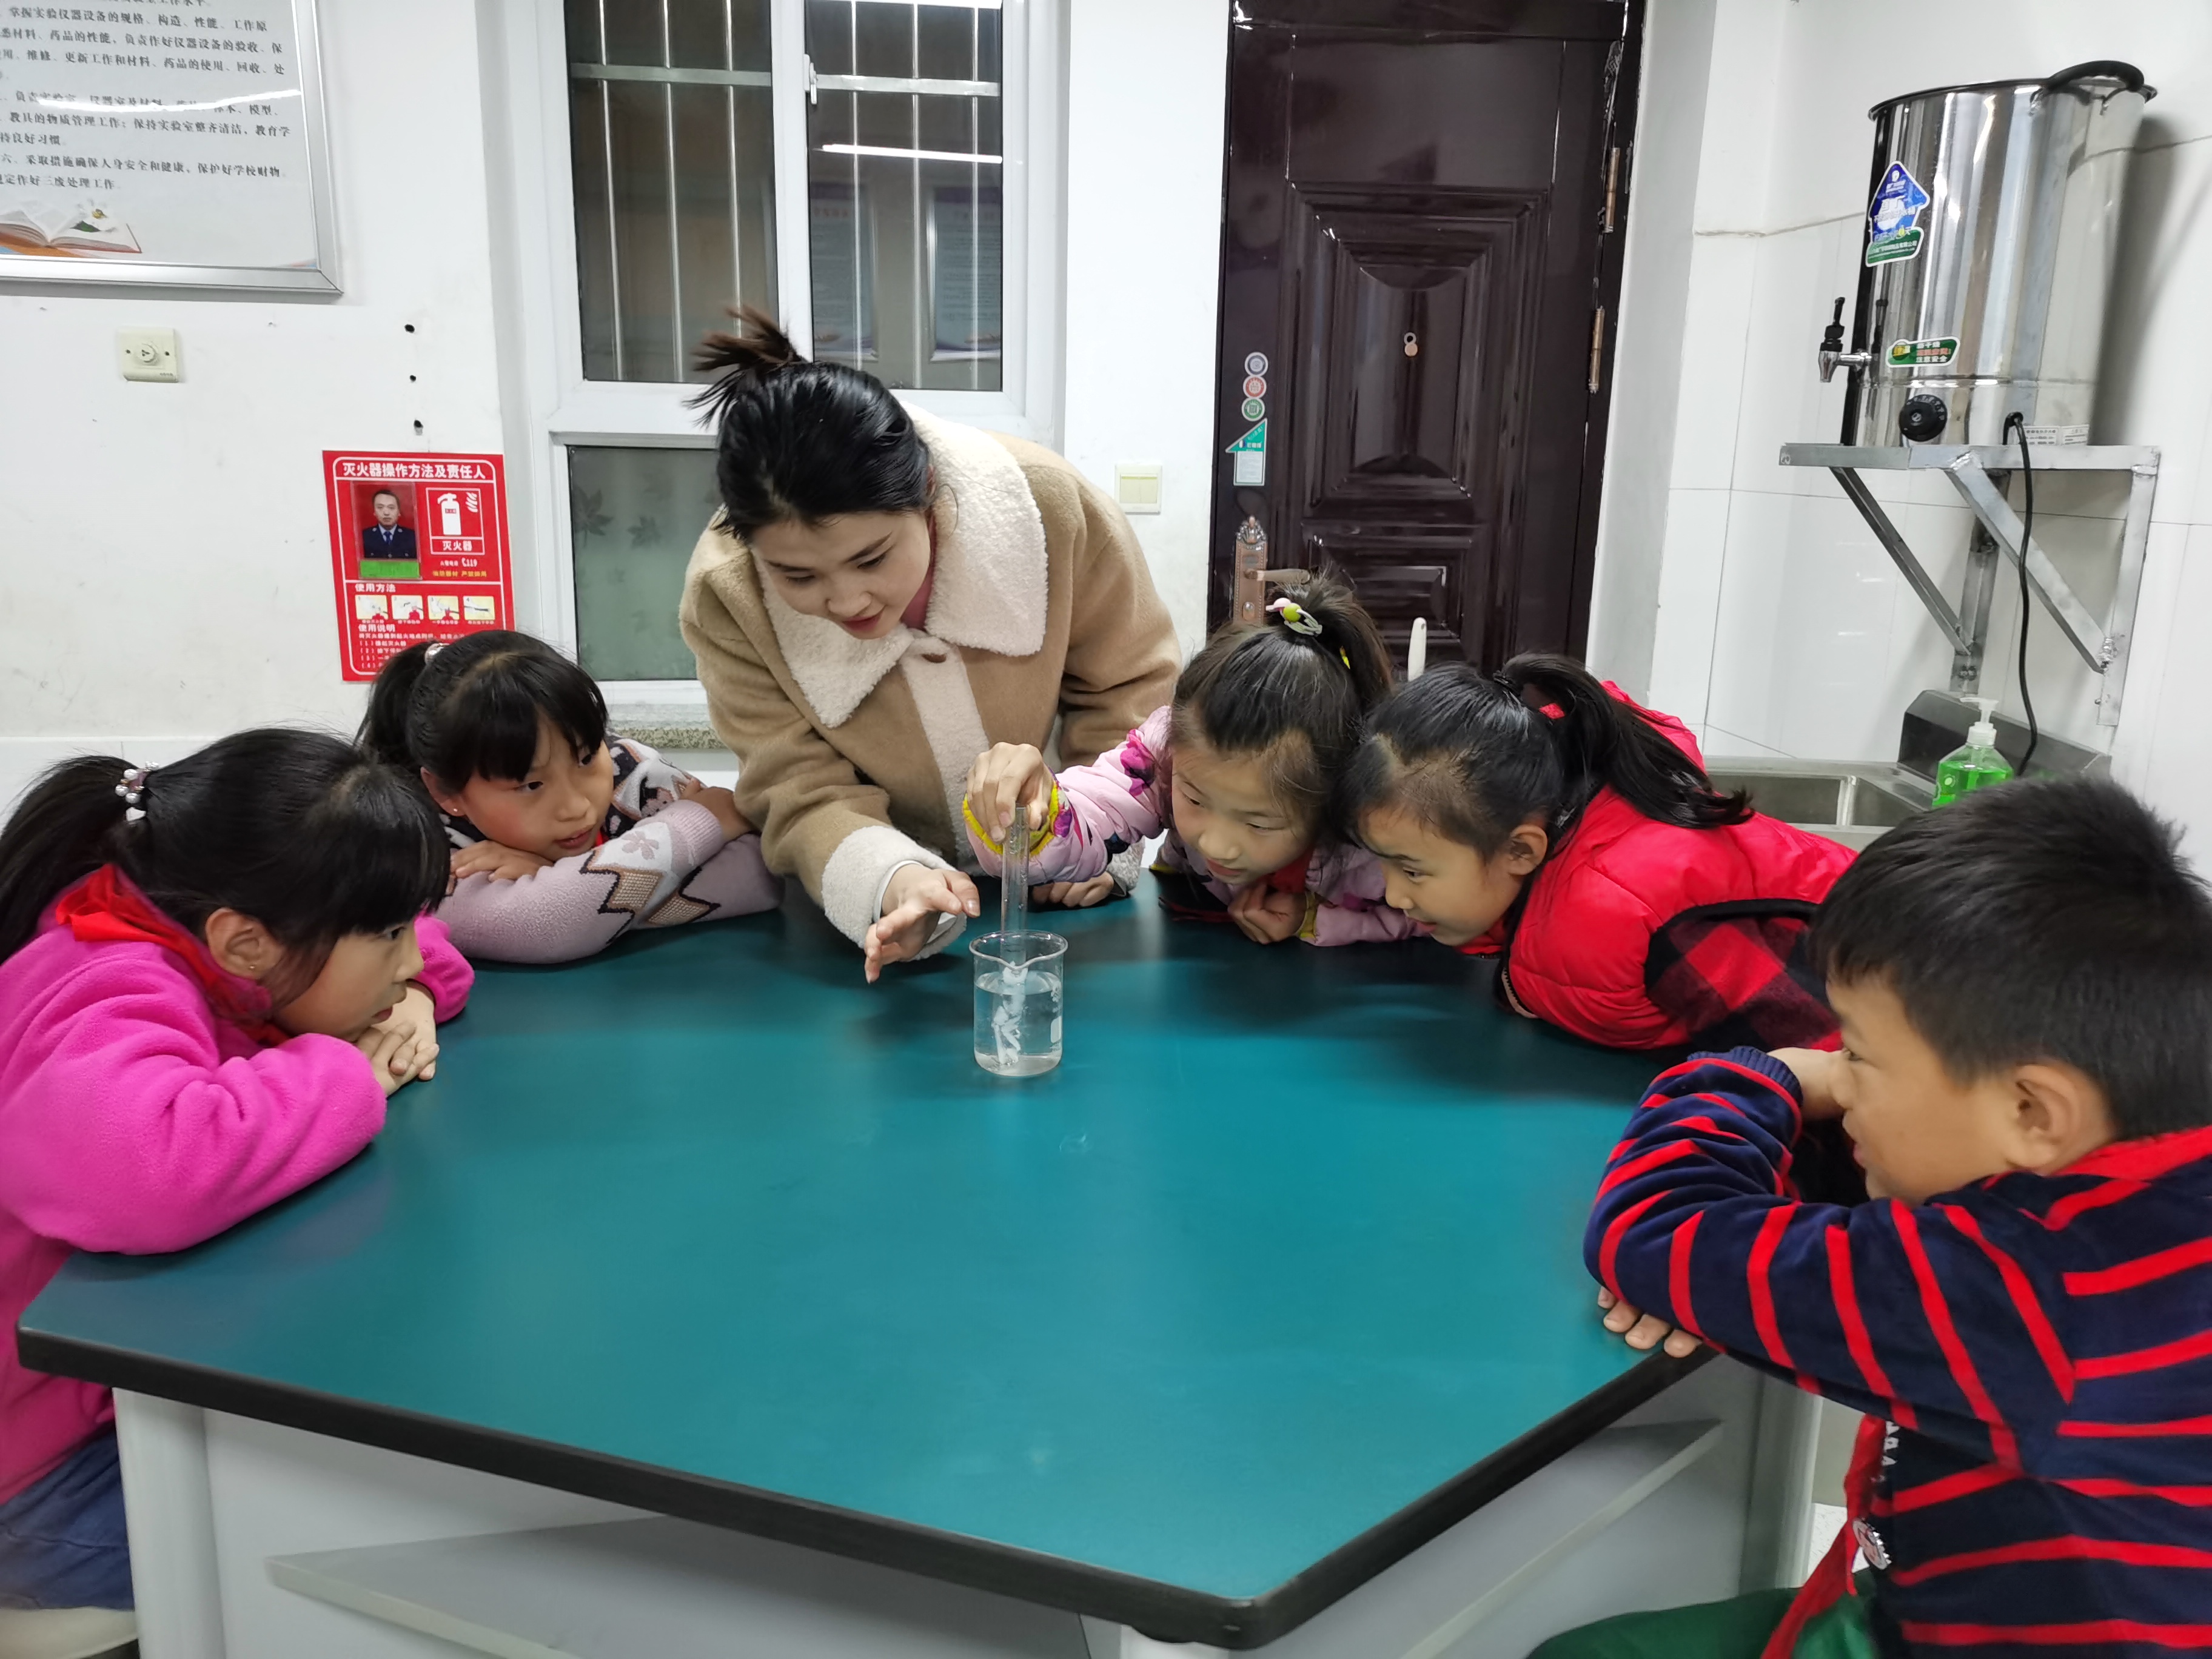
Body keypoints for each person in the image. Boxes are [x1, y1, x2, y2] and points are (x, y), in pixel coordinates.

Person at [1550, 776, 2212, 1657]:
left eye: (1858, 1054)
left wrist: (1766, 1076)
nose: (1841, 1075)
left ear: (2033, 1112)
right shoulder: (2161, 1184)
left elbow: (1655, 1232)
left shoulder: (2017, 1291)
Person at [0, 732, 471, 1617]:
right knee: (386, 1530)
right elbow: (144, 1170)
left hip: (121, 1402)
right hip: (39, 1485)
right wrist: (345, 1070)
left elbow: (429, 954)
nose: (411, 953)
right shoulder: (104, 976)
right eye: (388, 936)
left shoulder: (209, 933)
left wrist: (405, 993)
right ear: (245, 943)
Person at [678, 307, 1179, 983]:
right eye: (797, 577)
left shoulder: (1052, 511)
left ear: (929, 493)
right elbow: (795, 786)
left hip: (1069, 907)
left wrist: (1088, 838)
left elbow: (1128, 690)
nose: (847, 601)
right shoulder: (728, 594)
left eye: (872, 558)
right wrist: (891, 881)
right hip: (884, 923)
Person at [1342, 657, 1854, 1050]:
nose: (1394, 895)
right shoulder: (1547, 831)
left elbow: (1828, 1067)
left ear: (1520, 849)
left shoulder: (1636, 910)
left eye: (1412, 871)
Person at [963, 578, 1421, 945]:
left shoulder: (1375, 829)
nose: (1216, 845)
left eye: (1259, 823)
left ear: (1330, 799)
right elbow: (1095, 810)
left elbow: (1441, 913)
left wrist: (1318, 919)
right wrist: (1037, 812)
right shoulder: (1165, 754)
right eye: (1196, 800)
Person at [359, 632, 779, 964]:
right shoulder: (422, 845)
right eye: (531, 785)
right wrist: (697, 824)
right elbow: (544, 925)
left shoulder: (629, 769)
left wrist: (566, 883)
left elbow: (764, 876)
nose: (577, 806)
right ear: (446, 791)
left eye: (585, 758)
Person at [360, 489, 418, 568]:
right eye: (380, 508)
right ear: (374, 511)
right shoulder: (363, 537)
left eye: (391, 508)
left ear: (399, 512)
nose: (386, 513)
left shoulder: (412, 537)